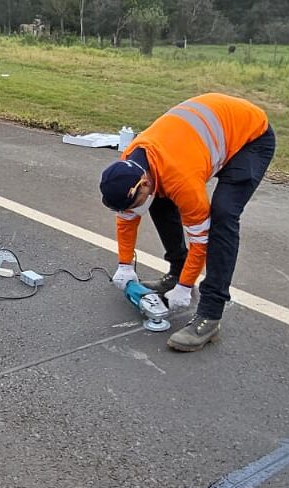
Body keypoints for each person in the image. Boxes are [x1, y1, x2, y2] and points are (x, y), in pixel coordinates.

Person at [99, 93, 275, 352]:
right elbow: (126, 219)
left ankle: (210, 315)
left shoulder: (180, 179)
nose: (132, 213)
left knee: (223, 215)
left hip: (251, 137)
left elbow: (200, 239)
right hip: (213, 131)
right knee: (159, 199)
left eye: (133, 205)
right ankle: (176, 272)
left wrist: (185, 287)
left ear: (144, 182)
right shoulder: (131, 164)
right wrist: (124, 264)